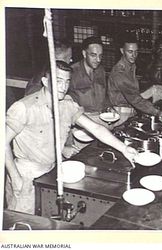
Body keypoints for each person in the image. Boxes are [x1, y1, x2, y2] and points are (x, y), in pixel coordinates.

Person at [5, 60, 138, 215]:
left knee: (45, 221)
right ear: (45, 81)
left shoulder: (67, 104)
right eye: (58, 81)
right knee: (23, 224)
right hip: (26, 175)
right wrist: (15, 177)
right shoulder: (24, 107)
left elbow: (95, 128)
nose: (63, 87)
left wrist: (124, 148)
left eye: (67, 81)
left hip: (51, 173)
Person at [107, 34, 162, 127]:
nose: (134, 55)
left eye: (136, 51)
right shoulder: (120, 73)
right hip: (121, 117)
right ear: (122, 51)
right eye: (130, 52)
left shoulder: (131, 66)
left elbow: (133, 92)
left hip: (130, 112)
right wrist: (156, 112)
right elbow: (135, 99)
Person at [68, 36, 108, 113]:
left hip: (101, 116)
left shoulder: (101, 71)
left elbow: (104, 97)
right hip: (82, 119)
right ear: (84, 54)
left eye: (100, 55)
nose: (98, 60)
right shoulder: (72, 72)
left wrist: (108, 108)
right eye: (93, 55)